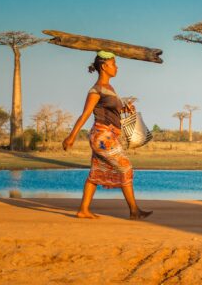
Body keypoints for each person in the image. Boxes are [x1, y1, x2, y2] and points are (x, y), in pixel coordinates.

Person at [62, 50, 153, 220]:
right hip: (102, 136)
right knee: (126, 167)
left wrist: (125, 108)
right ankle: (134, 210)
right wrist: (71, 136)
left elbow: (111, 110)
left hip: (109, 135)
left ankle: (83, 210)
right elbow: (86, 114)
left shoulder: (109, 88)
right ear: (104, 66)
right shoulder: (96, 90)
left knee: (96, 172)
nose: (117, 67)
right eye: (114, 64)